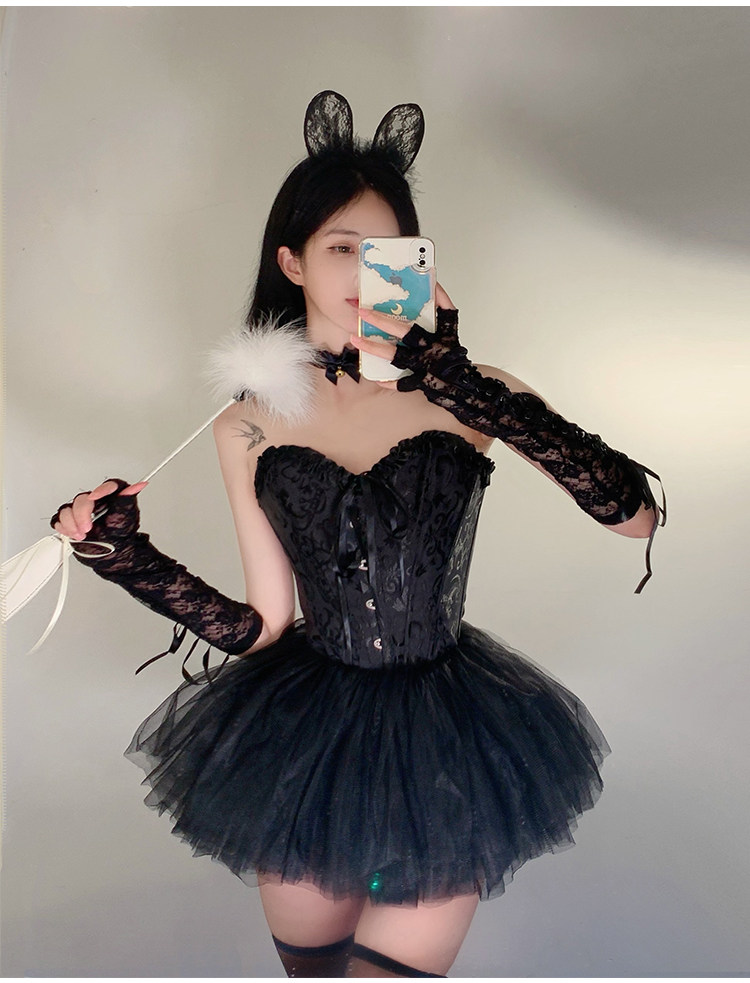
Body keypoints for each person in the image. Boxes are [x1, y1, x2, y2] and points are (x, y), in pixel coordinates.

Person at [50, 91, 665, 978]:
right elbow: (261, 625)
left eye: (388, 251)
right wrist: (125, 557)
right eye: (342, 246)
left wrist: (470, 391)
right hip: (304, 743)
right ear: (291, 260)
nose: (364, 269)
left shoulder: (471, 391)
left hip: (451, 735)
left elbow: (633, 514)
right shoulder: (247, 420)